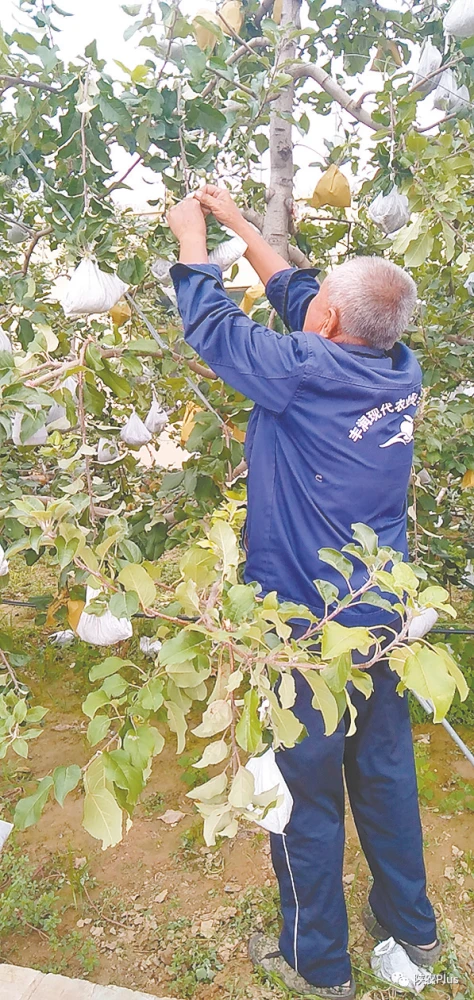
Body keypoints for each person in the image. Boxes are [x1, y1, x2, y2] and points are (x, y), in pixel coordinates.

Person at [167, 186, 441, 999]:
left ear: (326, 327)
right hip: (382, 617)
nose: (304, 300)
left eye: (317, 303)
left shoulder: (301, 372)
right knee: (386, 776)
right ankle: (411, 938)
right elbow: (297, 290)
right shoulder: (395, 362)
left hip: (305, 631)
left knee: (305, 797)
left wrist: (190, 242)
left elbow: (214, 329)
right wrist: (244, 227)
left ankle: (318, 964)